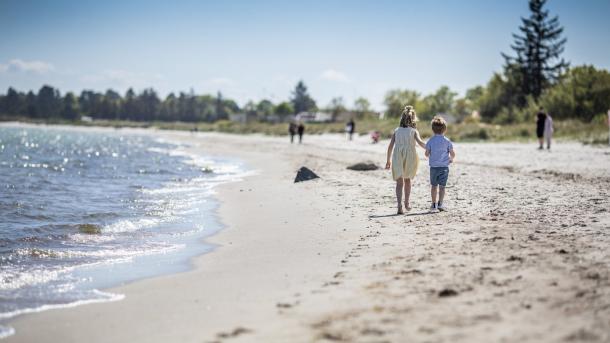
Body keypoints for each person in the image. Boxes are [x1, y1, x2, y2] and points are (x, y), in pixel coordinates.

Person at [385, 105, 427, 214]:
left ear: (402, 118)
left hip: (397, 156)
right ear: (413, 119)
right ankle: (407, 203)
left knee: (399, 182)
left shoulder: (396, 130)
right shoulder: (413, 131)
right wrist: (430, 148)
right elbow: (420, 143)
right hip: (410, 157)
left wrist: (388, 160)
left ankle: (399, 205)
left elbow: (390, 146)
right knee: (407, 180)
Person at [425, 116, 455, 212]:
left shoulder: (431, 140)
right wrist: (451, 159)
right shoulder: (447, 141)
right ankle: (440, 204)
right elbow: (452, 153)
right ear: (445, 129)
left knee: (434, 186)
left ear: (433, 129)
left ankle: (434, 205)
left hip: (433, 167)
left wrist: (430, 154)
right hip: (444, 168)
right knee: (442, 187)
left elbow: (426, 153)